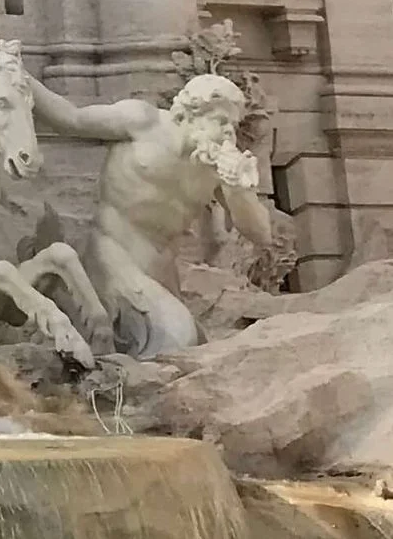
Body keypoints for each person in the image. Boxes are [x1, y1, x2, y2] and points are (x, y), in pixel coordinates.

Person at [29, 70, 289, 354]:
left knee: (194, 347)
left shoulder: (218, 166)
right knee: (176, 337)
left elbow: (261, 234)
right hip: (112, 254)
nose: (229, 132)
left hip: (161, 272)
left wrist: (237, 190)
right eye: (220, 121)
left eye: (233, 125)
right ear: (187, 116)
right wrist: (18, 77)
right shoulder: (143, 122)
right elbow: (71, 119)